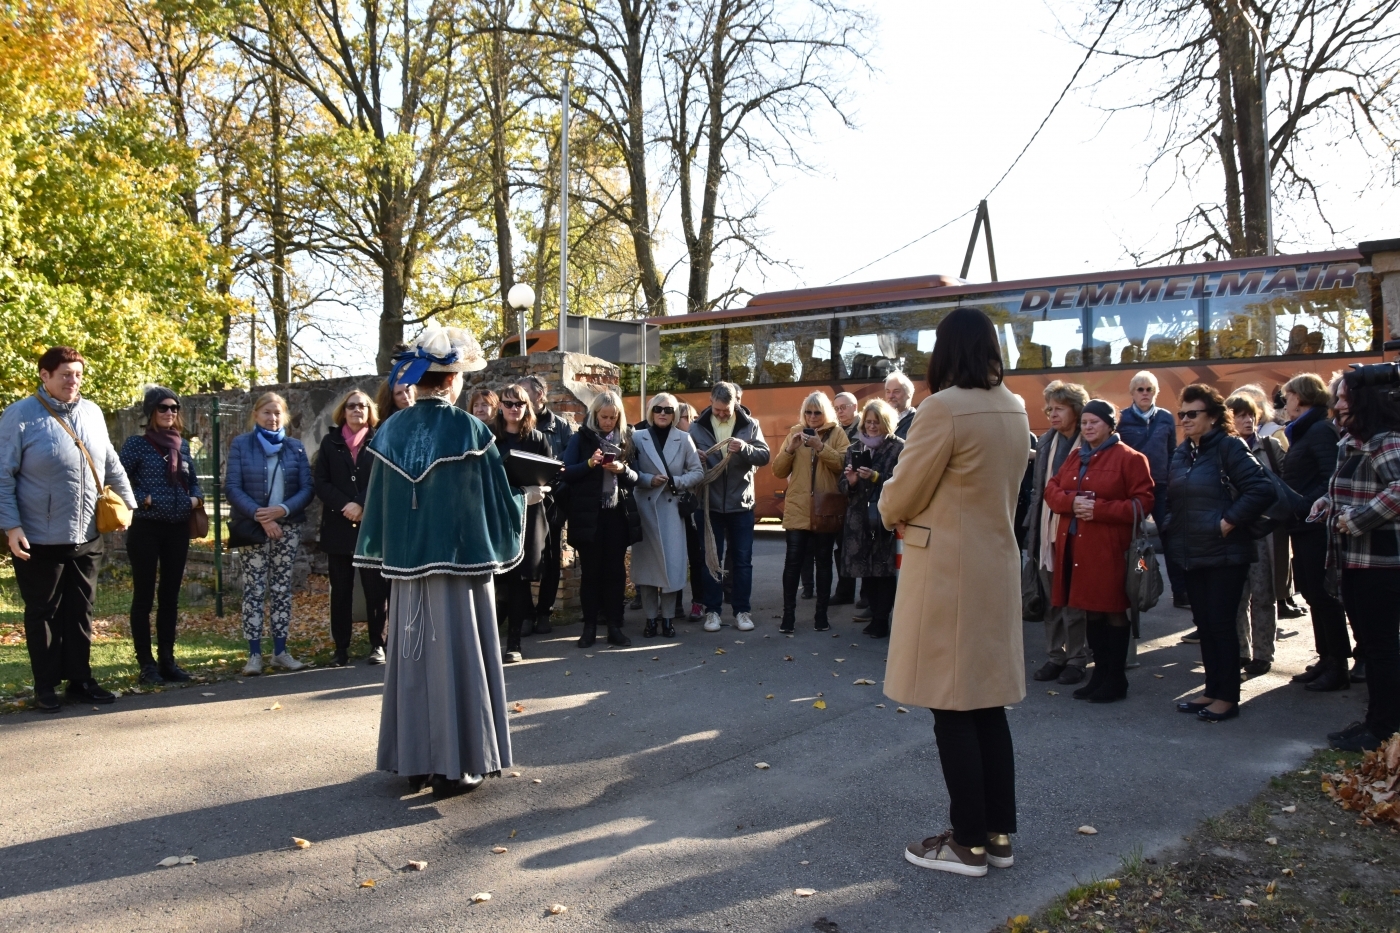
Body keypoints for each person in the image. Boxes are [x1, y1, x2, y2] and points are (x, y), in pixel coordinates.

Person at [879, 307, 1029, 877]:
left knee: (950, 706)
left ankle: (966, 842)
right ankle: (997, 834)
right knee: (988, 705)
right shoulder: (1013, 406)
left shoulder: (942, 409)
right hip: (993, 566)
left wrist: (889, 504)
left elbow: (900, 495)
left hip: (947, 572)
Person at [354, 326, 534, 799]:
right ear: (452, 380)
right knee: (459, 656)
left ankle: (414, 763)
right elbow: (492, 498)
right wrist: (525, 496)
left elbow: (382, 503)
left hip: (408, 571)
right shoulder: (469, 429)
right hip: (460, 567)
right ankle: (457, 766)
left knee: (412, 661)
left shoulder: (390, 428)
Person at [0, 347, 137, 712]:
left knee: (81, 609)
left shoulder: (91, 413)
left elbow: (110, 461)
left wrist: (129, 504)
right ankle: (45, 686)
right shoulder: (19, 416)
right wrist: (11, 526)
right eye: (65, 374)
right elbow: (2, 475)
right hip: (38, 538)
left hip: (87, 533)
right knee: (43, 612)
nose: (72, 381)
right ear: (44, 375)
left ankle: (80, 680)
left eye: (77, 374)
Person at [1165, 384, 1275, 723]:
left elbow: (1262, 488)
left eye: (1192, 414)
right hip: (1192, 552)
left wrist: (1228, 521)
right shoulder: (1185, 451)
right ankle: (1212, 689)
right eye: (1181, 414)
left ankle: (1227, 697)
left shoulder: (1229, 446)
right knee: (1206, 624)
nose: (1184, 419)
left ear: (1212, 416)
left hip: (1226, 553)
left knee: (1221, 624)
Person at [1043, 400, 1155, 702]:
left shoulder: (1130, 458)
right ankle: (1100, 675)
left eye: (1094, 422)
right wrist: (1071, 503)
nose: (1088, 428)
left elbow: (1143, 503)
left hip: (1110, 551)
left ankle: (1116, 679)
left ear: (1109, 424)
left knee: (1113, 611)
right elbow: (1052, 490)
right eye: (1085, 423)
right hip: (1076, 549)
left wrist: (1099, 509)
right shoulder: (1076, 455)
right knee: (1090, 611)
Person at [1315, 368, 1400, 752]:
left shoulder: (1387, 441)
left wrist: (1356, 519)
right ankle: (1376, 721)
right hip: (1354, 561)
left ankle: (1384, 728)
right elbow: (1358, 488)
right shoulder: (1353, 441)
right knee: (1370, 643)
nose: (1338, 404)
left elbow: (1398, 489)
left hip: (1381, 565)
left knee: (1381, 649)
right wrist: (1330, 503)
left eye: (1344, 396)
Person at [119, 386, 204, 685]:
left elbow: (194, 482)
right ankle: (146, 664)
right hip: (146, 527)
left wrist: (195, 499)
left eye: (174, 408)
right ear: (151, 412)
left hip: (177, 527)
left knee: (170, 596)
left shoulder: (183, 447)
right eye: (163, 408)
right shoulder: (136, 445)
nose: (170, 413)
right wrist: (145, 498)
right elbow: (118, 481)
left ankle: (168, 660)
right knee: (144, 596)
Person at [226, 392, 314, 676]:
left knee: (281, 590)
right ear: (256, 414)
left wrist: (282, 510)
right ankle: (254, 655)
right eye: (267, 412)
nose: (272, 418)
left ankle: (280, 652)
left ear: (284, 416)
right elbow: (232, 487)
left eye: (277, 413)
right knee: (254, 589)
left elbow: (306, 489)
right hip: (253, 527)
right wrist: (261, 516)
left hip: (287, 528)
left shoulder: (295, 448)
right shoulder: (241, 445)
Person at [1280, 372, 1351, 691]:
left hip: (1315, 524)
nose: (1286, 402)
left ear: (1303, 396)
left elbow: (1330, 478)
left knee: (1322, 595)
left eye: (1289, 395)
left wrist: (1308, 505)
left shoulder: (1319, 430)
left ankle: (1337, 664)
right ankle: (1325, 659)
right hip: (1302, 522)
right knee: (1310, 592)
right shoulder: (1303, 431)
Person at [313, 389, 388, 667]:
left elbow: (383, 478)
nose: (357, 410)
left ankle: (377, 645)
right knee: (341, 589)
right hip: (338, 524)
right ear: (343, 411)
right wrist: (346, 506)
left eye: (363, 406)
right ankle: (340, 648)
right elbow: (321, 481)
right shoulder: (330, 442)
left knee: (375, 589)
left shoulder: (379, 440)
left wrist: (360, 504)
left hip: (370, 525)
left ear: (370, 412)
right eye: (352, 406)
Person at [561, 390, 641, 648]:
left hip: (618, 514)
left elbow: (637, 477)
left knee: (615, 573)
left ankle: (615, 626)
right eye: (603, 417)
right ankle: (589, 628)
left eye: (613, 417)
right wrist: (589, 464)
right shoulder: (581, 437)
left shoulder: (627, 438)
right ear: (594, 415)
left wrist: (623, 469)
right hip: (589, 515)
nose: (608, 422)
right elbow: (565, 472)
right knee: (591, 573)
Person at [689, 382, 770, 633]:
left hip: (741, 504)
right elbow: (685, 461)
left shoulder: (750, 424)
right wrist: (697, 457)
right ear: (710, 401)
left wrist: (745, 448)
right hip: (708, 504)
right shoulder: (696, 427)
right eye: (718, 409)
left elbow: (765, 456)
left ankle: (742, 611)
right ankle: (712, 612)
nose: (722, 413)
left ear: (736, 402)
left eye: (727, 409)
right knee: (710, 560)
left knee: (742, 561)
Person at [1024, 380, 1090, 686]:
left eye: (1059, 408)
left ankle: (1078, 658)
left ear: (1075, 410)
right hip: (1045, 529)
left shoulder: (1088, 441)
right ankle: (1055, 656)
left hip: (1077, 530)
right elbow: (1038, 492)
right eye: (1049, 408)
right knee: (1050, 597)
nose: (1052, 414)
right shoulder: (1047, 441)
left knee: (1075, 598)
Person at [773, 392, 850, 633]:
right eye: (808, 412)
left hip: (825, 508)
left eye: (817, 412)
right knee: (792, 563)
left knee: (824, 563)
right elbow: (777, 470)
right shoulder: (795, 432)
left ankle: (821, 617)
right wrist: (790, 450)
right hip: (798, 508)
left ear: (825, 413)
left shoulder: (837, 433)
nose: (812, 417)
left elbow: (843, 465)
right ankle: (788, 617)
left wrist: (820, 447)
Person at [631, 392, 704, 638]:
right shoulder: (636, 437)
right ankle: (651, 620)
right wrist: (648, 479)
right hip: (646, 509)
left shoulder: (684, 439)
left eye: (669, 410)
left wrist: (676, 481)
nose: (663, 413)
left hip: (673, 510)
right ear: (651, 411)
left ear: (675, 414)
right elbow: (629, 472)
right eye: (658, 409)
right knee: (649, 570)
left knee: (672, 568)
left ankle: (669, 619)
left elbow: (698, 472)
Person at [489, 384, 554, 662]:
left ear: (528, 407)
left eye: (519, 404)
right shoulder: (490, 438)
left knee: (520, 580)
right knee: (499, 581)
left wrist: (543, 488)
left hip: (530, 514)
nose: (514, 408)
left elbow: (551, 472)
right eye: (508, 403)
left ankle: (513, 644)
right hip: (499, 514)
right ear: (500, 406)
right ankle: (488, 641)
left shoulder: (537, 438)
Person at [1226, 392, 1287, 676]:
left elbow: (1286, 486)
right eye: (1240, 415)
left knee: (1264, 595)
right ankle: (1240, 651)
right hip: (1235, 532)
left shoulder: (1271, 447)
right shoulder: (1222, 449)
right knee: (1237, 594)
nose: (1247, 420)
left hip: (1264, 532)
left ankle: (1263, 654)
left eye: (1251, 414)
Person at [1116, 371, 1186, 608]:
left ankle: (1180, 592)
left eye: (1150, 389)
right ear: (1132, 393)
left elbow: (1172, 452)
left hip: (1162, 487)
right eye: (1140, 389)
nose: (1145, 393)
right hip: (1132, 490)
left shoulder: (1165, 417)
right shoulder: (1122, 419)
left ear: (1156, 392)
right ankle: (1136, 587)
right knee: (1133, 541)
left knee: (1171, 539)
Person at [838, 399, 904, 638]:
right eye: (868, 422)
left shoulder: (899, 448)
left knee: (883, 571)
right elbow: (843, 486)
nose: (872, 427)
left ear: (886, 423)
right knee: (867, 571)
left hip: (883, 517)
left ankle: (880, 619)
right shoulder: (854, 448)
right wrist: (852, 482)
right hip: (859, 519)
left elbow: (903, 483)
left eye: (877, 422)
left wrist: (876, 476)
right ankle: (875, 614)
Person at [520, 374, 574, 633]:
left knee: (551, 559)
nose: (519, 399)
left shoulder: (561, 427)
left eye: (524, 392)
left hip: (552, 502)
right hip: (524, 502)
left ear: (539, 395)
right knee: (523, 558)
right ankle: (526, 614)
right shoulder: (518, 424)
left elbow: (568, 462)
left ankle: (544, 612)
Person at [832, 392, 862, 607]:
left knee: (864, 547)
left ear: (855, 406)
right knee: (842, 547)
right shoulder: (835, 431)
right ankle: (845, 591)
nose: (840, 412)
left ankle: (868, 597)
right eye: (837, 408)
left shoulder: (864, 429)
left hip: (861, 496)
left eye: (844, 407)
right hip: (841, 494)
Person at [677, 402, 706, 621]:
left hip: (694, 506)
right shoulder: (669, 440)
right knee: (674, 557)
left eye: (692, 417)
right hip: (674, 506)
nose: (690, 421)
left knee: (697, 558)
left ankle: (699, 602)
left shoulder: (698, 439)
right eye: (686, 417)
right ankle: (674, 603)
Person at [885, 371, 917, 439]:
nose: (890, 396)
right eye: (888, 392)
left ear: (909, 394)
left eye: (896, 391)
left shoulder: (916, 420)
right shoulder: (881, 419)